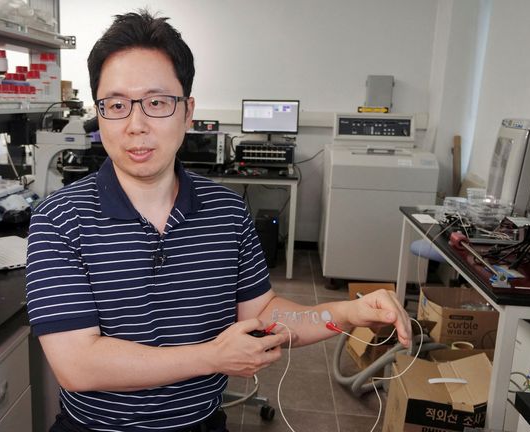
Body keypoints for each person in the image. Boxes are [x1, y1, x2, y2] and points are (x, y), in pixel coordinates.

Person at [25, 10, 411, 432]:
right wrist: (210, 357)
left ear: (187, 112)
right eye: (116, 105)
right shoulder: (58, 220)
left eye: (156, 103)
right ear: (99, 114)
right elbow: (78, 365)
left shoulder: (227, 211)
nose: (136, 125)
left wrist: (346, 313)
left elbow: (263, 313)